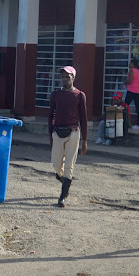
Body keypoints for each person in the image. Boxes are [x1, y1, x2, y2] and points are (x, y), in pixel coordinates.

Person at [48, 65, 88, 207]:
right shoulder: (56, 95)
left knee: (69, 165)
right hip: (57, 132)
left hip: (73, 132)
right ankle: (63, 178)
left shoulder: (79, 95)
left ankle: (62, 196)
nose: (65, 79)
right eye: (63, 76)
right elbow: (51, 115)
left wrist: (84, 140)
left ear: (73, 78)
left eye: (68, 76)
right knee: (56, 163)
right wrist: (51, 134)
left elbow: (83, 118)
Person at [125, 56, 139, 130]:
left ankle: (124, 122)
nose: (129, 64)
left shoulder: (131, 70)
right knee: (138, 108)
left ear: (133, 64)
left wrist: (124, 82)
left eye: (130, 63)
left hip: (131, 90)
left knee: (125, 106)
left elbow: (130, 81)